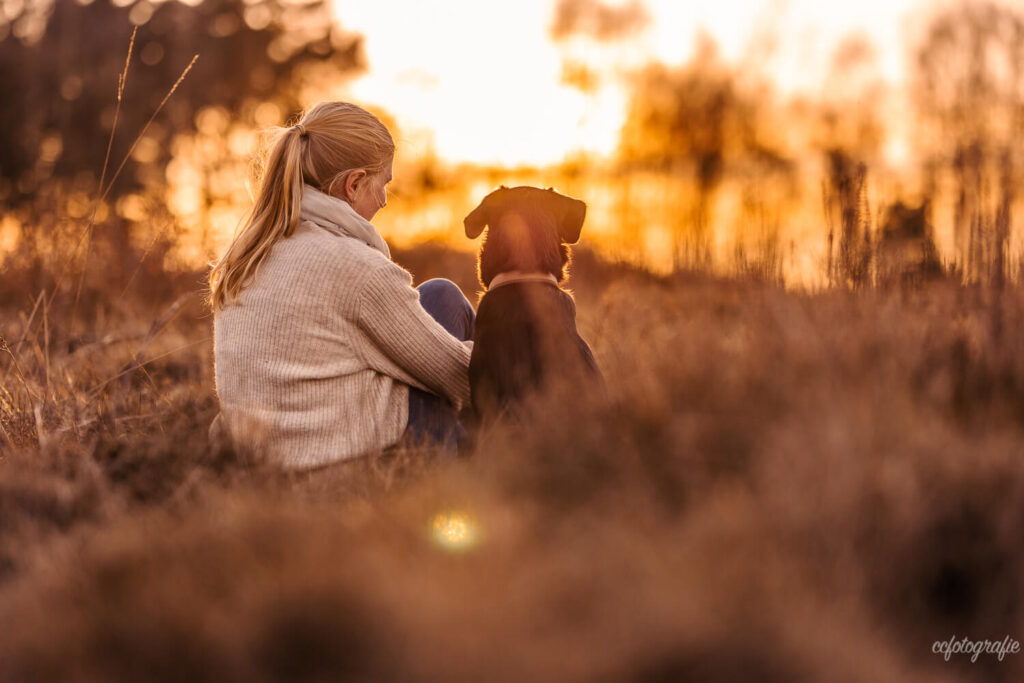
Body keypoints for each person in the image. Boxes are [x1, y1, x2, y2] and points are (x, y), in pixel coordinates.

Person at [208, 101, 475, 470]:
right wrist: (525, 354)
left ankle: (475, 445)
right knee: (447, 303)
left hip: (260, 467)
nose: (383, 201)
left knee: (435, 297)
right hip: (349, 470)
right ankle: (508, 453)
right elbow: (460, 377)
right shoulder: (356, 269)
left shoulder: (245, 257)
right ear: (353, 184)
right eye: (383, 185)